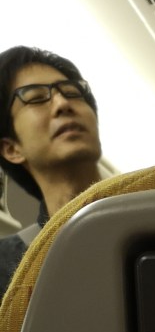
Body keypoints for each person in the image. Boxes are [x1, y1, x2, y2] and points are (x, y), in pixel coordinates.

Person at [0, 45, 102, 297]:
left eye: (73, 93)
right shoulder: (8, 267)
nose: (63, 104)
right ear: (12, 149)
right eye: (36, 98)